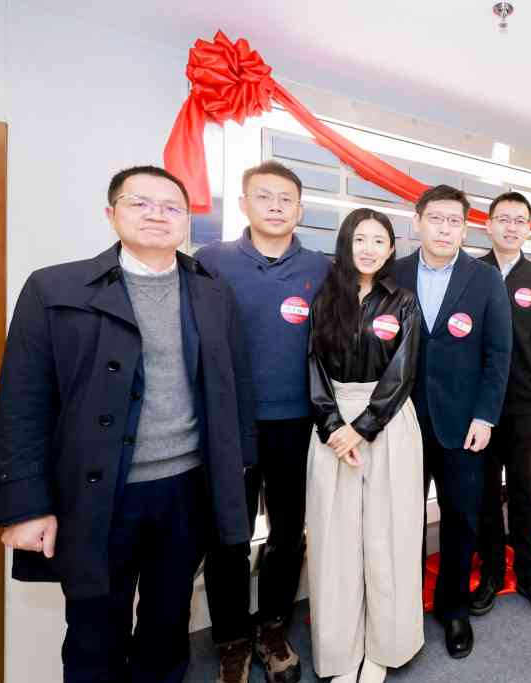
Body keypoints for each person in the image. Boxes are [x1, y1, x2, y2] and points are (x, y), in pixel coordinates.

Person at [0, 166, 255, 682]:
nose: (157, 214)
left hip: (186, 490)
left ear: (187, 221)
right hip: (98, 494)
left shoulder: (211, 291)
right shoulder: (55, 288)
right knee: (94, 633)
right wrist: (26, 505)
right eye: (140, 203)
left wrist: (237, 470)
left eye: (172, 207)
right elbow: (22, 403)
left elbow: (234, 386)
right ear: (111, 214)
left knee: (168, 625)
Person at [196, 161, 331, 683]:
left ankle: (273, 626)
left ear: (300, 209)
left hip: (297, 425)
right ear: (244, 204)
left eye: (286, 199)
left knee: (288, 532)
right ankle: (231, 639)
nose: (275, 207)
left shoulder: (320, 268)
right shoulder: (211, 261)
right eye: (264, 196)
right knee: (226, 536)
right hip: (228, 424)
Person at [305, 208, 424, 683]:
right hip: (332, 429)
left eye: (379, 240)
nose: (369, 248)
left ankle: (383, 648)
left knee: (389, 537)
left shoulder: (403, 301)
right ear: (345, 244)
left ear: (391, 248)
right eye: (360, 239)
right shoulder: (325, 298)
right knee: (334, 542)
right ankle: (342, 651)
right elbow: (312, 365)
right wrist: (333, 425)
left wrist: (364, 426)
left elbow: (403, 372)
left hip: (388, 422)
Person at [393, 185, 512, 659]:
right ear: (417, 221)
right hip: (401, 421)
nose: (445, 229)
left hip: (464, 425)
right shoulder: (394, 273)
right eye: (436, 219)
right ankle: (401, 608)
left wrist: (485, 415)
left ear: (465, 229)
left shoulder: (485, 279)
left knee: (461, 516)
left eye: (454, 221)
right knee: (401, 518)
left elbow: (499, 353)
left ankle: (453, 607)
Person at [471, 192, 531, 619]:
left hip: (526, 405)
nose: (511, 227)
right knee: (485, 493)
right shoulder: (472, 273)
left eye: (520, 220)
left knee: (524, 492)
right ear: (488, 224)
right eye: (503, 219)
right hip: (479, 409)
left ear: (529, 228)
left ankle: (528, 573)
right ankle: (491, 571)